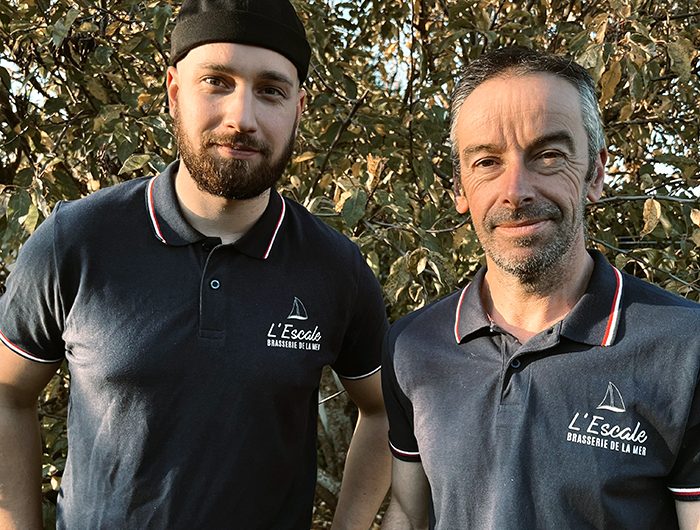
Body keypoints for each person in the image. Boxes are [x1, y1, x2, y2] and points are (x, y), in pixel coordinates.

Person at [0, 0, 391, 528]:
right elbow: (8, 392)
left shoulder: (333, 267)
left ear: (299, 106)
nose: (242, 118)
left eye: (271, 90)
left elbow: (385, 407)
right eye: (217, 82)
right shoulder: (76, 242)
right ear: (174, 92)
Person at [381, 46, 700, 529]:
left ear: (594, 172)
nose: (516, 190)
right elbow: (407, 512)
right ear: (459, 189)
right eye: (487, 161)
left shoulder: (685, 348)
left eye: (548, 155)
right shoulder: (413, 347)